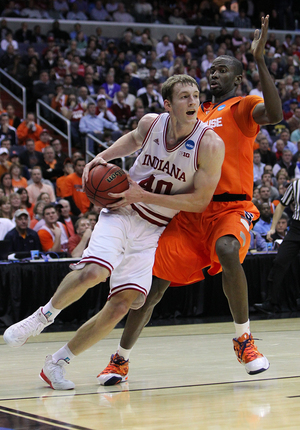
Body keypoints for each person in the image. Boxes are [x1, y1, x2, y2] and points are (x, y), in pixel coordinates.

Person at [94, 15, 283, 386]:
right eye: (210, 69)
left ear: (237, 78)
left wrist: (259, 59)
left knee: (228, 249)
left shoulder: (243, 106)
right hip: (189, 208)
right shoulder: (193, 114)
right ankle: (120, 359)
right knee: (152, 287)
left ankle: (244, 339)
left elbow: (275, 115)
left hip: (231, 206)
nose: (213, 74)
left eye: (222, 69)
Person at [3, 74, 225, 390]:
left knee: (124, 304)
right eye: (185, 97)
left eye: (195, 95)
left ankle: (56, 363)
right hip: (120, 211)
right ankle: (40, 319)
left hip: (152, 227)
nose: (193, 102)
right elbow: (133, 139)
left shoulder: (210, 144)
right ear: (168, 104)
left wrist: (144, 195)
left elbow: (200, 201)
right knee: (94, 271)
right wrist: (102, 157)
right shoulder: (152, 124)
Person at [254, 179, 300, 314]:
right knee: (279, 261)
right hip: (296, 227)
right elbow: (281, 205)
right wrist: (273, 228)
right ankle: (271, 302)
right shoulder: (296, 185)